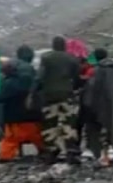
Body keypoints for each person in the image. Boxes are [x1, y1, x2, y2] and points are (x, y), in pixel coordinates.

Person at [0, 59, 44, 162]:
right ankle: (44, 151)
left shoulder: (8, 83)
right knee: (37, 136)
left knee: (11, 138)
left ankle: (5, 157)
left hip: (14, 117)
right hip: (32, 115)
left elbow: (1, 97)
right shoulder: (27, 80)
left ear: (4, 72)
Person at [35, 36, 82, 164]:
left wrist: (32, 92)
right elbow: (77, 77)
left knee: (50, 123)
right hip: (67, 94)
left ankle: (51, 151)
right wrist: (74, 88)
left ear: (53, 46)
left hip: (49, 95)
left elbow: (39, 77)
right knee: (69, 122)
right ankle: (71, 150)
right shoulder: (72, 58)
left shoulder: (46, 58)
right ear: (64, 46)